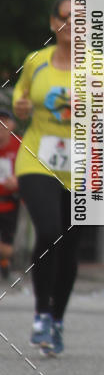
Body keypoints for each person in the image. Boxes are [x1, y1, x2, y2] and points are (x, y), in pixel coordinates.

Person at [12, 0, 104, 355]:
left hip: (84, 166)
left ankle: (57, 319)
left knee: (68, 248)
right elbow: (20, 101)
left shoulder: (101, 67)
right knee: (49, 230)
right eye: (66, 17)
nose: (72, 25)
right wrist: (20, 106)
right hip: (37, 159)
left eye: (81, 19)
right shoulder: (35, 62)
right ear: (54, 23)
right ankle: (40, 315)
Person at [0, 109, 20, 281]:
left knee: (7, 247)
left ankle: (5, 262)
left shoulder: (20, 145)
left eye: (4, 121)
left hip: (10, 202)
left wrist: (18, 181)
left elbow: (30, 171)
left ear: (12, 125)